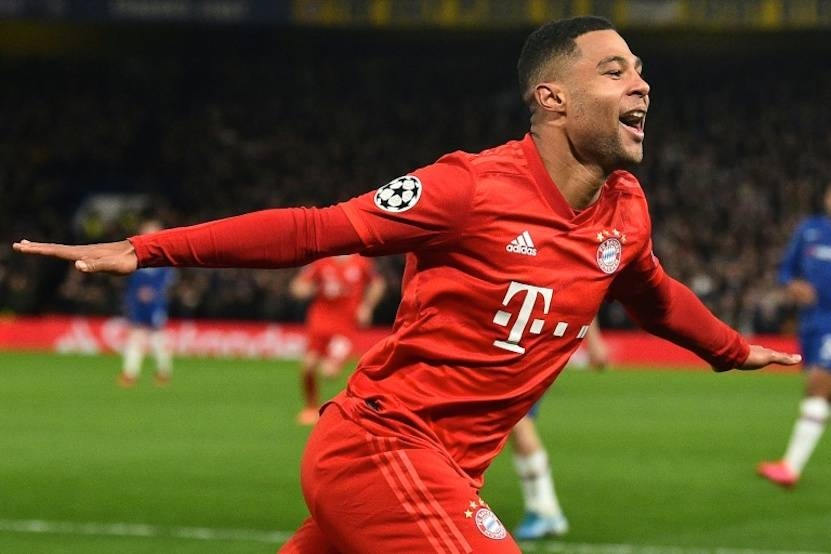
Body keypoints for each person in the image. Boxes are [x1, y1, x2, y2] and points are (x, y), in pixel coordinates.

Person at [13, 16, 801, 553]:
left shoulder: (624, 208)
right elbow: (313, 229)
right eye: (615, 70)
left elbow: (652, 291)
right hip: (381, 448)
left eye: (641, 71)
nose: (641, 86)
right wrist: (146, 250)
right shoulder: (468, 189)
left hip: (439, 472)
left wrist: (731, 350)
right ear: (550, 98)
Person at [758, 183, 831, 488]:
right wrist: (793, 285)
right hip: (812, 323)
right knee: (820, 390)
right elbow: (786, 270)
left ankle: (790, 467)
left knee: (818, 386)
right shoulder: (809, 230)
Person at [510, 319, 606, 540]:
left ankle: (545, 510)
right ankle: (544, 509)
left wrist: (593, 341)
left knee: (519, 420)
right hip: (522, 343)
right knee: (515, 421)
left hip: (528, 347)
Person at [289, 254, 386, 425]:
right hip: (320, 322)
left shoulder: (360, 262)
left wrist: (367, 306)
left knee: (329, 371)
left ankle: (352, 411)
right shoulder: (321, 262)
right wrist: (306, 289)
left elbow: (378, 284)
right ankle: (311, 408)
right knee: (308, 366)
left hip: (344, 327)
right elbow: (297, 286)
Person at [118, 219, 176, 388]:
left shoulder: (164, 256)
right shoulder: (135, 254)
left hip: (155, 303)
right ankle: (130, 373)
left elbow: (168, 279)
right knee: (135, 336)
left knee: (157, 337)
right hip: (136, 302)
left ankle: (163, 371)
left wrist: (154, 292)